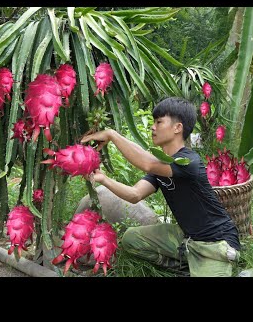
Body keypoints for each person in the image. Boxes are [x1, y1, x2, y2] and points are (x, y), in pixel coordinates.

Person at [80, 97, 241, 277]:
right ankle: (184, 268)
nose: (153, 127)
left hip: (216, 243)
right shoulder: (162, 167)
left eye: (159, 122)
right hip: (186, 237)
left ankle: (206, 265)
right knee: (131, 239)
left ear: (177, 128)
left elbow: (148, 164)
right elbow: (135, 195)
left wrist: (111, 135)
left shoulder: (189, 161)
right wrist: (104, 179)